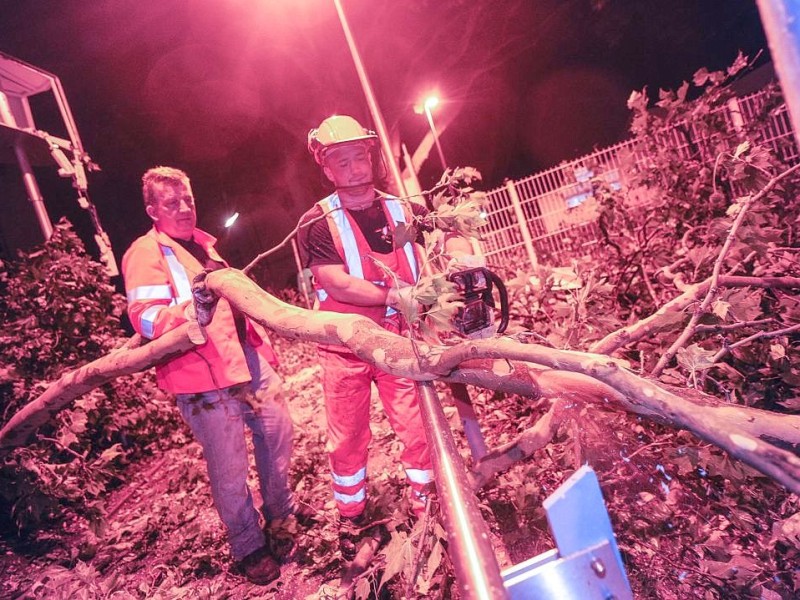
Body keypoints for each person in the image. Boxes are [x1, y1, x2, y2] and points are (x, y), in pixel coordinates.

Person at [297, 115, 472, 559]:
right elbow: (335, 282)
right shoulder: (317, 221)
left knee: (417, 425)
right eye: (342, 161)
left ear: (371, 157)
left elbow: (447, 236)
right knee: (348, 437)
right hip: (344, 344)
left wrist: (458, 261)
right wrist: (398, 292)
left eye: (359, 156)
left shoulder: (402, 209)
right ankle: (351, 519)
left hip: (399, 336)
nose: (354, 167)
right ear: (327, 168)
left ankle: (425, 504)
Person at [121, 166, 297, 585]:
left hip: (247, 364)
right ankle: (248, 546)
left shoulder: (205, 245)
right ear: (152, 210)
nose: (184, 209)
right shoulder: (146, 254)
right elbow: (142, 317)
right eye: (171, 203)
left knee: (277, 435)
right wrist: (187, 312)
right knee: (229, 467)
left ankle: (281, 521)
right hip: (202, 378)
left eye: (188, 200)